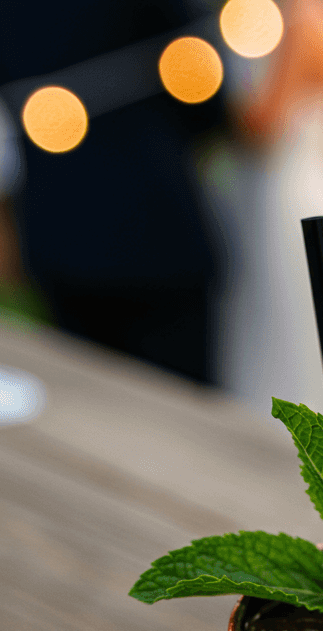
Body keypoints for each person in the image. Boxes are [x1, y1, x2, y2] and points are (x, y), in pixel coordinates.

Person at [0, 2, 226, 385]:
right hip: (153, 223)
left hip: (56, 225)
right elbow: (202, 94)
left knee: (89, 400)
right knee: (180, 407)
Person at [216, 0, 323, 420]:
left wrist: (213, 94)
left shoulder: (301, 19)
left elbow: (263, 122)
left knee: (293, 333)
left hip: (290, 199)